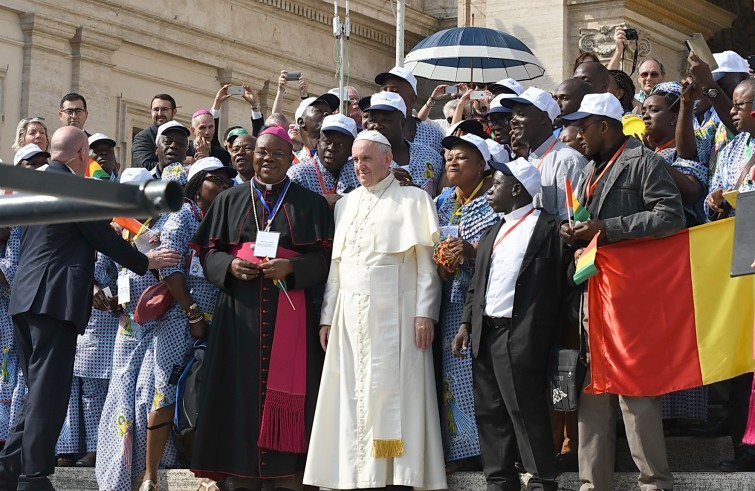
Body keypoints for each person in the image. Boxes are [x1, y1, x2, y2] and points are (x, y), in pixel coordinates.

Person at [0, 126, 181, 491]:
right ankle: (33, 477)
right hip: (53, 301)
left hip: (26, 300)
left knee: (37, 390)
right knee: (48, 393)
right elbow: (103, 238)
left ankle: (8, 470)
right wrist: (147, 261)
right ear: (82, 153)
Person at [190, 126, 333, 491]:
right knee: (237, 392)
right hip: (240, 315)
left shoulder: (310, 202)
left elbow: (327, 258)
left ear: (290, 160)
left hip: (293, 313)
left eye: (276, 154)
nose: (266, 159)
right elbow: (208, 252)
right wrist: (229, 267)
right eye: (260, 153)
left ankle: (290, 473)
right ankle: (240, 472)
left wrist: (294, 268)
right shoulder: (228, 199)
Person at [303, 130, 446, 490]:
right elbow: (338, 266)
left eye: (366, 158)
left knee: (396, 395)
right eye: (354, 160)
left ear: (387, 159)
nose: (359, 166)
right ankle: (355, 475)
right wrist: (327, 318)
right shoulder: (346, 203)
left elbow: (427, 265)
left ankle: (396, 476)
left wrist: (425, 313)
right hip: (349, 315)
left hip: (397, 312)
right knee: (351, 395)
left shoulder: (414, 200)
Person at [560, 93, 685, 491]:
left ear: (605, 126)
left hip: (630, 294)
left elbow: (670, 216)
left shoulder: (644, 161)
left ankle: (655, 482)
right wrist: (573, 234)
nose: (577, 134)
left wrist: (606, 228)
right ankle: (592, 484)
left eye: (584, 127)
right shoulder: (587, 171)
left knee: (634, 386)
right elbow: (589, 223)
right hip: (593, 290)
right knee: (593, 388)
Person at [453, 157, 563, 491]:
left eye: (496, 184)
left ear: (517, 189)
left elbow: (562, 284)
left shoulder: (550, 229)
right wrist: (465, 325)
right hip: (485, 333)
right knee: (489, 414)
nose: (488, 190)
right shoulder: (493, 231)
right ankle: (499, 483)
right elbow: (478, 284)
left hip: (521, 335)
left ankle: (542, 480)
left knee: (524, 411)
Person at [137, 157, 234, 491]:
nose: (223, 185)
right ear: (197, 183)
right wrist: (192, 314)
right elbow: (170, 269)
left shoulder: (218, 218)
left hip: (213, 320)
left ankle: (203, 468)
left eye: (226, 181)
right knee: (166, 390)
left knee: (202, 392)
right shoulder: (182, 216)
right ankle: (150, 475)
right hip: (181, 319)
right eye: (216, 180)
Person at [435, 134, 499, 472]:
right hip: (449, 299)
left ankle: (487, 451)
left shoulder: (492, 201)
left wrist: (473, 252)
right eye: (448, 157)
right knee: (452, 376)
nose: (452, 162)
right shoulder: (443, 201)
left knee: (480, 375)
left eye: (462, 157)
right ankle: (460, 451)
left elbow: (505, 248)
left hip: (483, 301)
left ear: (481, 165)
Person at [501, 87, 588, 220]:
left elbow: (573, 220)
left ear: (542, 118)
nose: (513, 121)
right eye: (512, 116)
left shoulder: (567, 160)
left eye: (521, 114)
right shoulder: (527, 159)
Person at [641, 82, 708, 226]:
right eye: (643, 112)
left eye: (654, 110)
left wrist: (649, 158)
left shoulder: (689, 148)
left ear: (674, 118)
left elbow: (692, 192)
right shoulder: (645, 152)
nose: (646, 116)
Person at [363, 91, 444, 195]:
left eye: (386, 120)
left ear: (403, 123)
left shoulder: (431, 156)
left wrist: (419, 196)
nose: (377, 126)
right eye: (372, 121)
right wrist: (383, 180)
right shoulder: (356, 165)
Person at [287, 113, 360, 208]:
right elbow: (287, 211)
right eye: (327, 142)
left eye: (340, 144)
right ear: (318, 142)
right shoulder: (298, 174)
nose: (332, 148)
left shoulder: (359, 174)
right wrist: (319, 203)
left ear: (351, 149)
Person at [706, 78, 755, 217]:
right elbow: (713, 193)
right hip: (741, 233)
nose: (732, 111)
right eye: (733, 106)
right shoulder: (729, 150)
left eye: (739, 105)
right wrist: (716, 200)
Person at [376, 66, 444, 154]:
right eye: (384, 91)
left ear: (413, 99)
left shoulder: (433, 136)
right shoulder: (372, 133)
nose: (388, 96)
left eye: (395, 91)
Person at [132, 94, 178, 169]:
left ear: (174, 112)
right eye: (156, 109)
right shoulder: (143, 137)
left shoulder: (183, 137)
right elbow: (145, 166)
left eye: (164, 109)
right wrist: (179, 165)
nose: (160, 113)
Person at [293, 93, 340, 166]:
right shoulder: (291, 162)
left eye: (330, 113)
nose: (327, 114)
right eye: (319, 111)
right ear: (301, 122)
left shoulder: (340, 159)